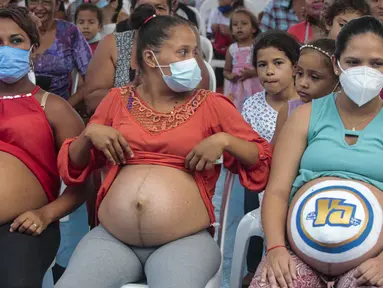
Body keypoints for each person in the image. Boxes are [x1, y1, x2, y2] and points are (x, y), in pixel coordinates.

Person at [56, 5, 272, 287]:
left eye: (195, 52)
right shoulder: (117, 101)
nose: (193, 61)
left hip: (183, 241)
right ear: (150, 57)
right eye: (183, 52)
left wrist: (225, 141)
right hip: (112, 238)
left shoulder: (211, 104)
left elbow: (260, 159)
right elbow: (73, 166)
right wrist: (90, 134)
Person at [250, 16, 383, 288]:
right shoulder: (305, 116)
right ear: (337, 64)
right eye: (354, 62)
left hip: (373, 264)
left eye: (377, 63)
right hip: (296, 258)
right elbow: (276, 191)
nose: (365, 71)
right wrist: (275, 249)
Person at [0, 6, 88, 287]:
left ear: (33, 50)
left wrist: (45, 214)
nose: (6, 49)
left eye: (16, 41)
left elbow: (84, 181)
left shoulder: (53, 107)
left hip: (22, 227)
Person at [240, 30, 300, 287]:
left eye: (278, 63)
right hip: (260, 179)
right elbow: (246, 148)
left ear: (295, 67)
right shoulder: (252, 105)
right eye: (262, 65)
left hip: (296, 179)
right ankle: (253, 267)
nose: (269, 71)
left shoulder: (306, 104)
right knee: (251, 199)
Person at [84, 0, 209, 114]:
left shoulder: (186, 44)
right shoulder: (112, 45)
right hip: (120, 127)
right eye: (144, 8)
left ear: (171, 12)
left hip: (179, 123)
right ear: (132, 12)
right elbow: (92, 102)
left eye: (160, 7)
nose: (153, 14)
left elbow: (201, 95)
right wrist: (133, 91)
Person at [272, 38, 339, 144]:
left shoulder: (342, 114)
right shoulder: (288, 110)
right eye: (299, 73)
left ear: (337, 81)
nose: (303, 83)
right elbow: (273, 152)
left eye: (314, 77)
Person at [27, 0, 92, 105]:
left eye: (46, 2)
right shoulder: (17, 31)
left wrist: (66, 108)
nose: (39, 8)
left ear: (57, 5)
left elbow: (91, 77)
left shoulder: (69, 32)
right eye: (34, 2)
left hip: (59, 107)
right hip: (19, 107)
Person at [223, 9, 262, 112]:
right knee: (236, 111)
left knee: (255, 110)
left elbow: (264, 67)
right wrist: (230, 76)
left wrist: (254, 72)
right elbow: (226, 70)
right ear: (231, 30)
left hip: (255, 85)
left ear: (254, 28)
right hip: (236, 88)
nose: (239, 27)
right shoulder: (232, 49)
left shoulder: (257, 47)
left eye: (244, 23)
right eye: (235, 25)